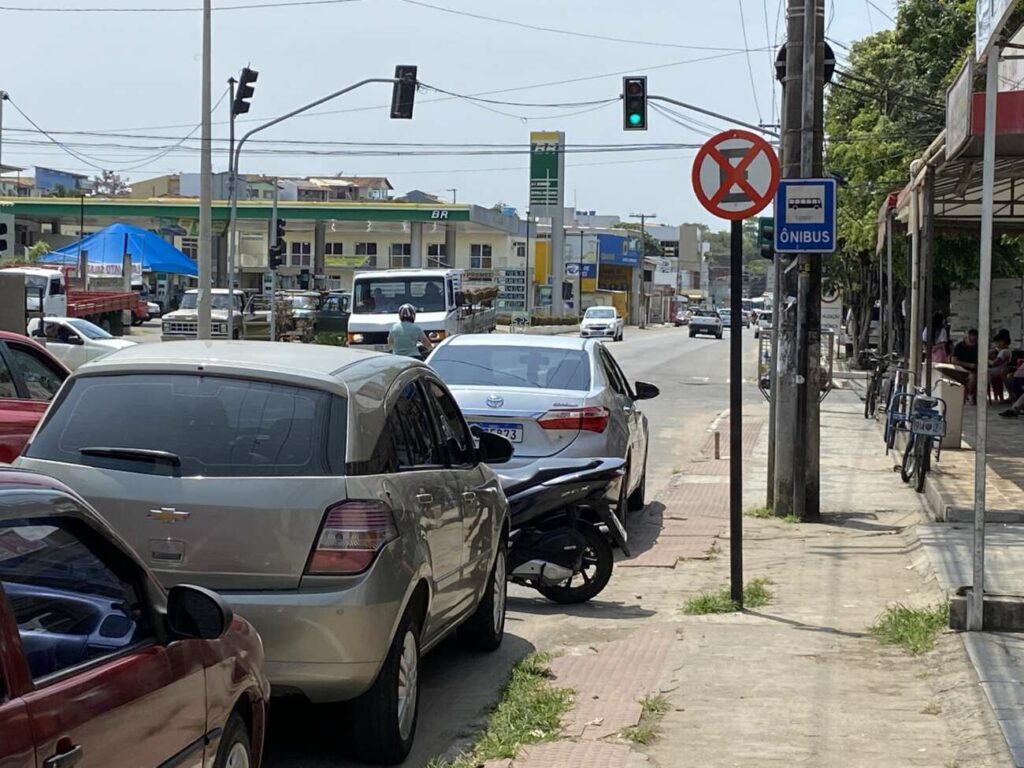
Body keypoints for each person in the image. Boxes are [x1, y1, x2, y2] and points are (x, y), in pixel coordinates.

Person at [950, 328, 980, 403]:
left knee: (974, 377)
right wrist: (968, 365)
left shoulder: (978, 347)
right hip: (960, 369)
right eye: (972, 336)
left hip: (974, 370)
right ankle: (966, 395)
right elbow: (954, 360)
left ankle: (970, 394)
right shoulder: (959, 346)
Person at [990, 329, 1013, 402]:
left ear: (1002, 342)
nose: (996, 344)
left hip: (998, 369)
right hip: (1000, 369)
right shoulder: (1007, 350)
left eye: (998, 342)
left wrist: (986, 361)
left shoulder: (1003, 352)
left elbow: (995, 363)